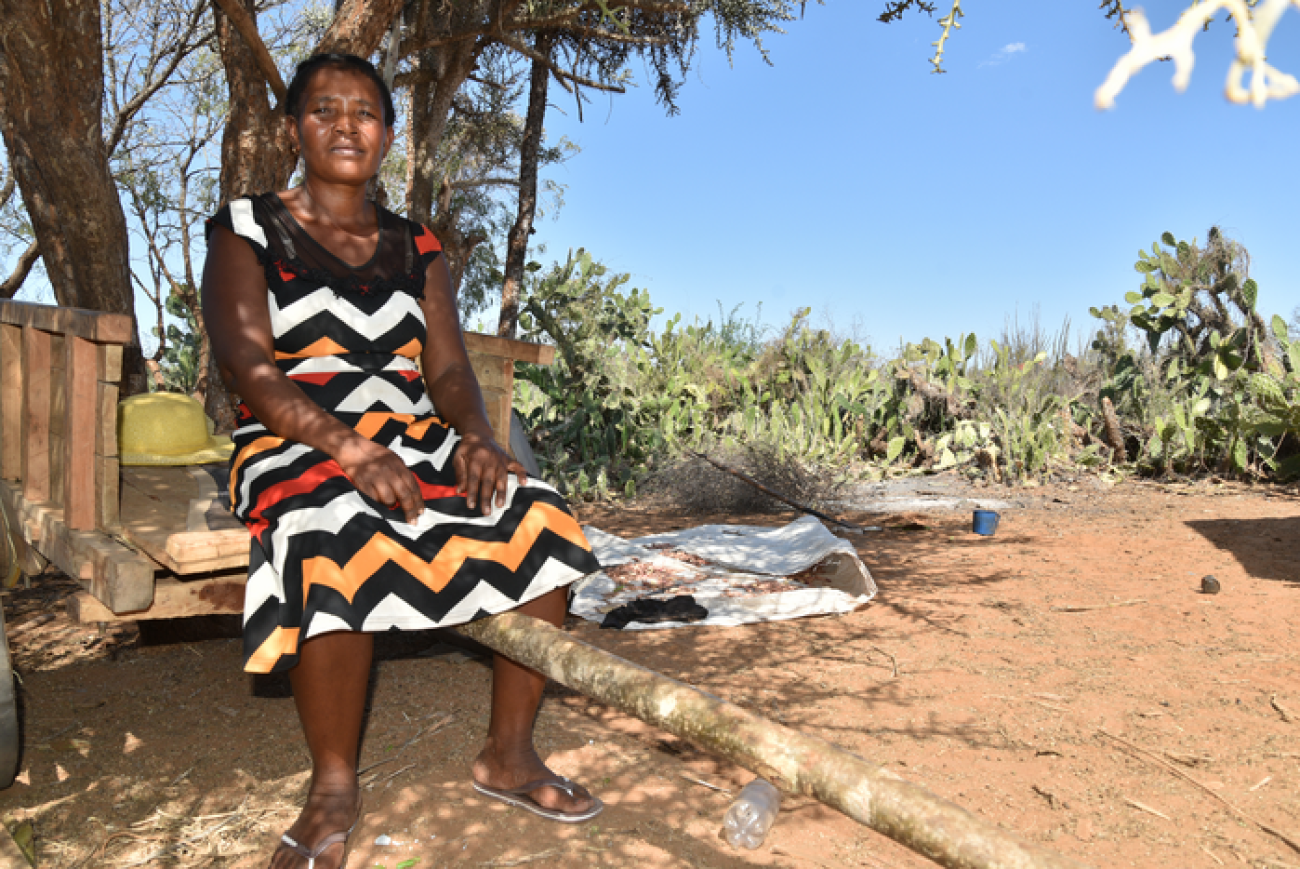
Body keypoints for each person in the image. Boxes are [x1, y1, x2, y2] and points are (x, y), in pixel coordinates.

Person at [202, 53, 603, 869]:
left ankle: (509, 754)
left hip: (411, 433)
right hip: (294, 436)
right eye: (324, 110)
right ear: (293, 129)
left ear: (387, 134)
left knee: (539, 515)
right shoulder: (246, 228)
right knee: (334, 528)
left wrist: (478, 439)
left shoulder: (416, 242)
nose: (346, 125)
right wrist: (347, 446)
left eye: (365, 112)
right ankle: (334, 786)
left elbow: (448, 370)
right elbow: (250, 367)